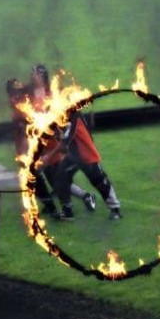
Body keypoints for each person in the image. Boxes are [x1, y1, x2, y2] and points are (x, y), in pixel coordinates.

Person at [26, 64, 122, 221]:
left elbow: (64, 142)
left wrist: (48, 157)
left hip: (84, 153)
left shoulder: (73, 117)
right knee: (60, 177)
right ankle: (68, 211)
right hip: (72, 154)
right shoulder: (60, 114)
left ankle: (115, 208)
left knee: (98, 180)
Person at [6, 73, 95, 218]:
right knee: (46, 180)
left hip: (47, 149)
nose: (12, 99)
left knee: (53, 181)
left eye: (15, 95)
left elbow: (33, 130)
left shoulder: (24, 109)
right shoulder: (23, 107)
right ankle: (54, 205)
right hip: (40, 150)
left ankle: (76, 200)